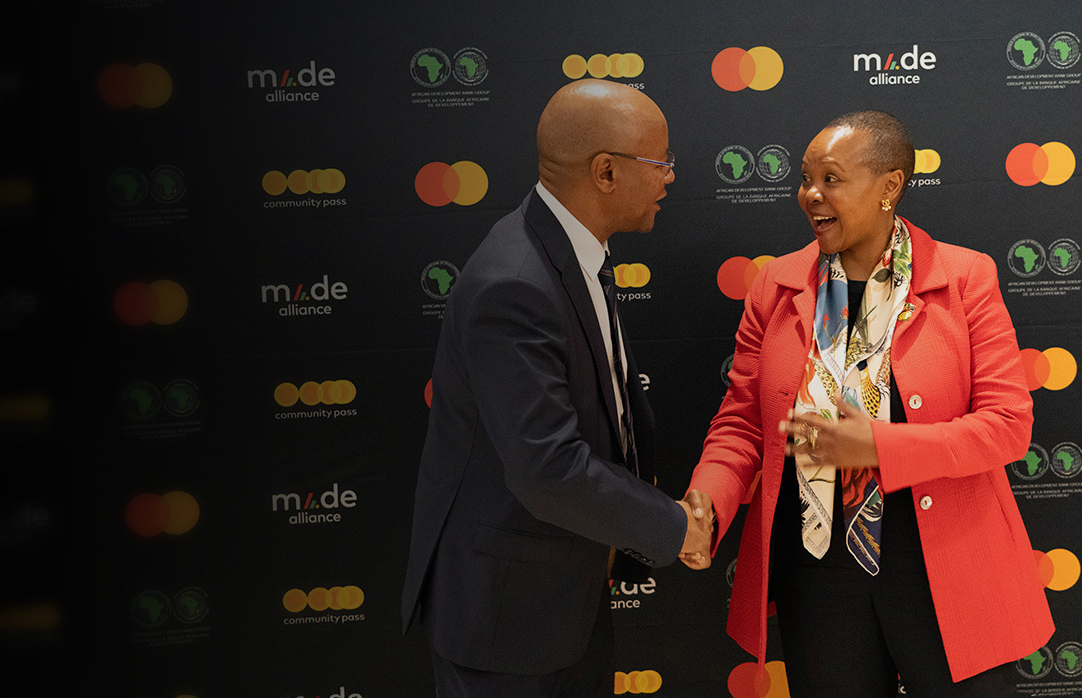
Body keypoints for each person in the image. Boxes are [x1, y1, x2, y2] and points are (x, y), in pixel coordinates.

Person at [682, 110, 1054, 696]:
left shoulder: (965, 277)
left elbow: (1007, 426)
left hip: (945, 572)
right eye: (805, 179)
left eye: (831, 179)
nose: (810, 195)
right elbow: (741, 425)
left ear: (890, 186)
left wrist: (877, 445)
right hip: (819, 576)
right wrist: (708, 500)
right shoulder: (775, 288)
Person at [401, 79, 712, 698]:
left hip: (560, 599)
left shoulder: (567, 250)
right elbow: (547, 467)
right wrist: (674, 527)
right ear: (605, 173)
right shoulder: (515, 283)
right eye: (661, 163)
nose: (670, 177)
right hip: (508, 625)